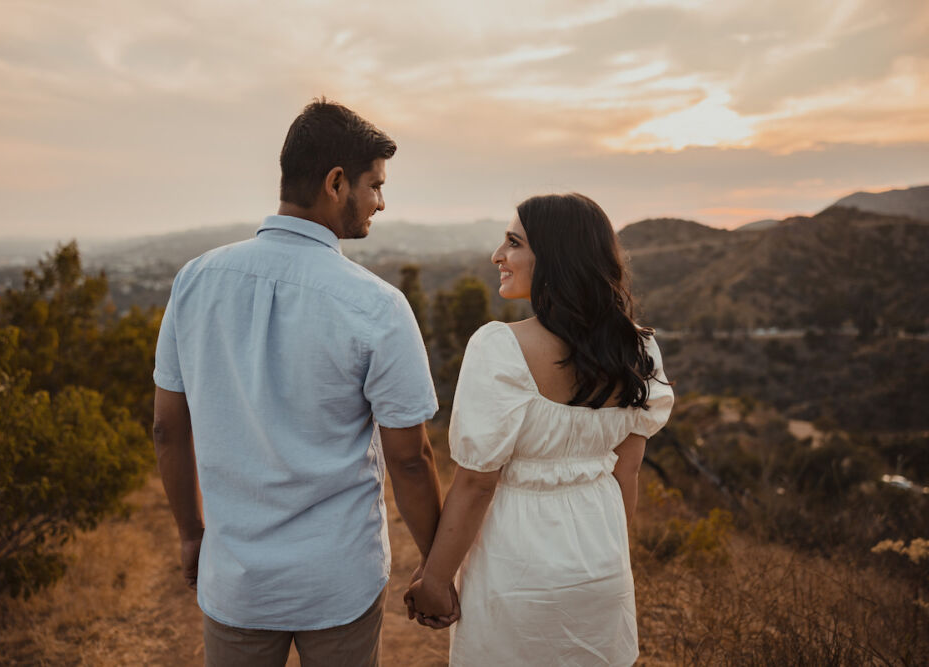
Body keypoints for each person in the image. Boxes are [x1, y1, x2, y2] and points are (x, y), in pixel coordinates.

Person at [152, 99, 447, 667]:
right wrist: (436, 567)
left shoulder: (194, 281)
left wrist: (192, 535)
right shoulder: (377, 306)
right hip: (337, 581)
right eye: (375, 186)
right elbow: (411, 460)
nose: (380, 203)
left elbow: (167, 428)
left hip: (236, 580)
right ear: (337, 183)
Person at [405, 193, 674, 665]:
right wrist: (612, 561)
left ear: (556, 259)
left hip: (516, 568)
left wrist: (434, 581)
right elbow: (625, 474)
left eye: (514, 243)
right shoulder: (640, 350)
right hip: (602, 565)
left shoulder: (499, 348)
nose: (497, 256)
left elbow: (475, 484)